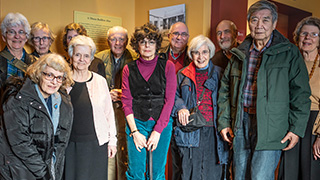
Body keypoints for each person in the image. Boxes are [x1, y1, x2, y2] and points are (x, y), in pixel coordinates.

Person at [217, 1, 311, 180]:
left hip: (272, 126)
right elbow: (225, 90)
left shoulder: (289, 52)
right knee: (238, 175)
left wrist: (296, 129)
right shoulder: (239, 53)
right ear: (249, 23)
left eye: (265, 20)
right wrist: (224, 122)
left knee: (261, 176)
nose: (259, 25)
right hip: (240, 123)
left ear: (274, 24)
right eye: (254, 20)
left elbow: (301, 94)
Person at [0, 53, 74, 180]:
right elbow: (21, 143)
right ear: (39, 74)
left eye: (59, 77)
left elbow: (60, 142)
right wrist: (44, 174)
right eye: (49, 75)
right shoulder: (17, 100)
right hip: (20, 170)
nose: (54, 81)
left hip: (46, 169)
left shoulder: (62, 101)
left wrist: (53, 171)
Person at [121, 23, 176, 179]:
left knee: (157, 172)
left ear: (157, 45)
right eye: (143, 42)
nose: (147, 46)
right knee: (135, 171)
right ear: (136, 45)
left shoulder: (168, 66)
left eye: (151, 42)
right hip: (136, 123)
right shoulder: (128, 69)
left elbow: (169, 100)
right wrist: (134, 132)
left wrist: (158, 131)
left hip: (162, 124)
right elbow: (126, 102)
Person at [172, 35, 229, 179]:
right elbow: (172, 96)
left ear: (210, 53)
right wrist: (181, 107)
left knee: (213, 174)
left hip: (214, 131)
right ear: (191, 55)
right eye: (196, 52)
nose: (200, 56)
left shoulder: (219, 73)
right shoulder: (182, 74)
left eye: (205, 52)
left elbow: (227, 99)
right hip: (190, 130)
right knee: (190, 173)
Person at [64, 35, 117, 180]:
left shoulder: (100, 81)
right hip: (69, 146)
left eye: (86, 55)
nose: (82, 59)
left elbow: (109, 114)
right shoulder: (62, 81)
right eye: (77, 55)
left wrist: (112, 141)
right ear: (71, 56)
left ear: (92, 58)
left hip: (96, 144)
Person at [278, 16, 320, 180]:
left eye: (314, 34)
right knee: (288, 172)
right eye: (304, 34)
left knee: (311, 173)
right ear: (297, 36)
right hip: (290, 122)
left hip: (314, 124)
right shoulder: (288, 63)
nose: (308, 38)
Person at [95, 25, 137, 180]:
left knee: (126, 151)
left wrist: (124, 94)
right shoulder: (98, 57)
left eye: (121, 39)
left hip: (127, 112)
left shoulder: (135, 57)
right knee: (107, 149)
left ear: (127, 41)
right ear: (108, 41)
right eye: (113, 39)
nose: (117, 42)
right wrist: (107, 93)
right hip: (104, 112)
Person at [160, 21, 191, 180]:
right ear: (169, 36)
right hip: (162, 112)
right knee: (162, 157)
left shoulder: (193, 56)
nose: (179, 37)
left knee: (181, 158)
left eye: (183, 34)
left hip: (184, 112)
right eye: (176, 34)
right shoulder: (159, 55)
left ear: (188, 37)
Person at [0, 12, 34, 88]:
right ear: (4, 37)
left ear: (26, 37)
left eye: (21, 32)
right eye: (11, 32)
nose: (17, 36)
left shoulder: (35, 63)